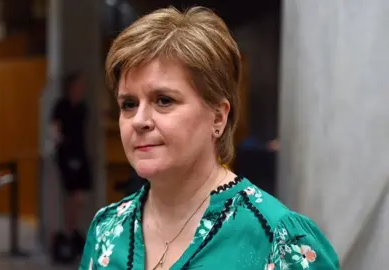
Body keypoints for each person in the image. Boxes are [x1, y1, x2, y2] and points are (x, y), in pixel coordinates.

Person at [79, 6, 340, 270]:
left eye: (164, 100)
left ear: (218, 117)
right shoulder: (107, 230)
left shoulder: (279, 241)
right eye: (129, 104)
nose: (139, 120)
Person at [50, 71, 91, 259]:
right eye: (78, 85)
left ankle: (71, 229)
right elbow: (54, 128)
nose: (81, 89)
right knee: (72, 194)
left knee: (80, 195)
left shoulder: (82, 107)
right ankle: (67, 230)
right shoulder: (62, 105)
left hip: (80, 152)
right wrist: (60, 143)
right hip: (67, 153)